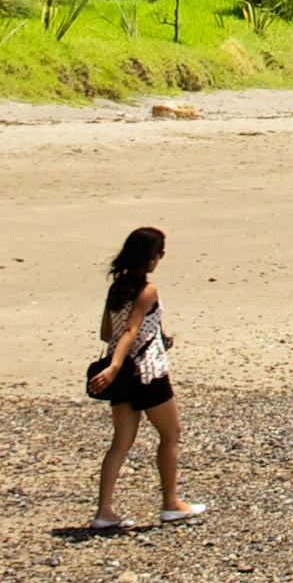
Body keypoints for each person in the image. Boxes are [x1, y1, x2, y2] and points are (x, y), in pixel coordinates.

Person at [86, 225, 204, 532]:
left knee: (121, 442)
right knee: (170, 434)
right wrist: (113, 365)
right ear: (151, 257)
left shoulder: (117, 287)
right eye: (159, 254)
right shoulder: (147, 290)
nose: (159, 259)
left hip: (123, 376)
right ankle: (171, 504)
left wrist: (114, 366)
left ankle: (104, 511)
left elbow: (107, 332)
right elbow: (130, 331)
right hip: (147, 372)